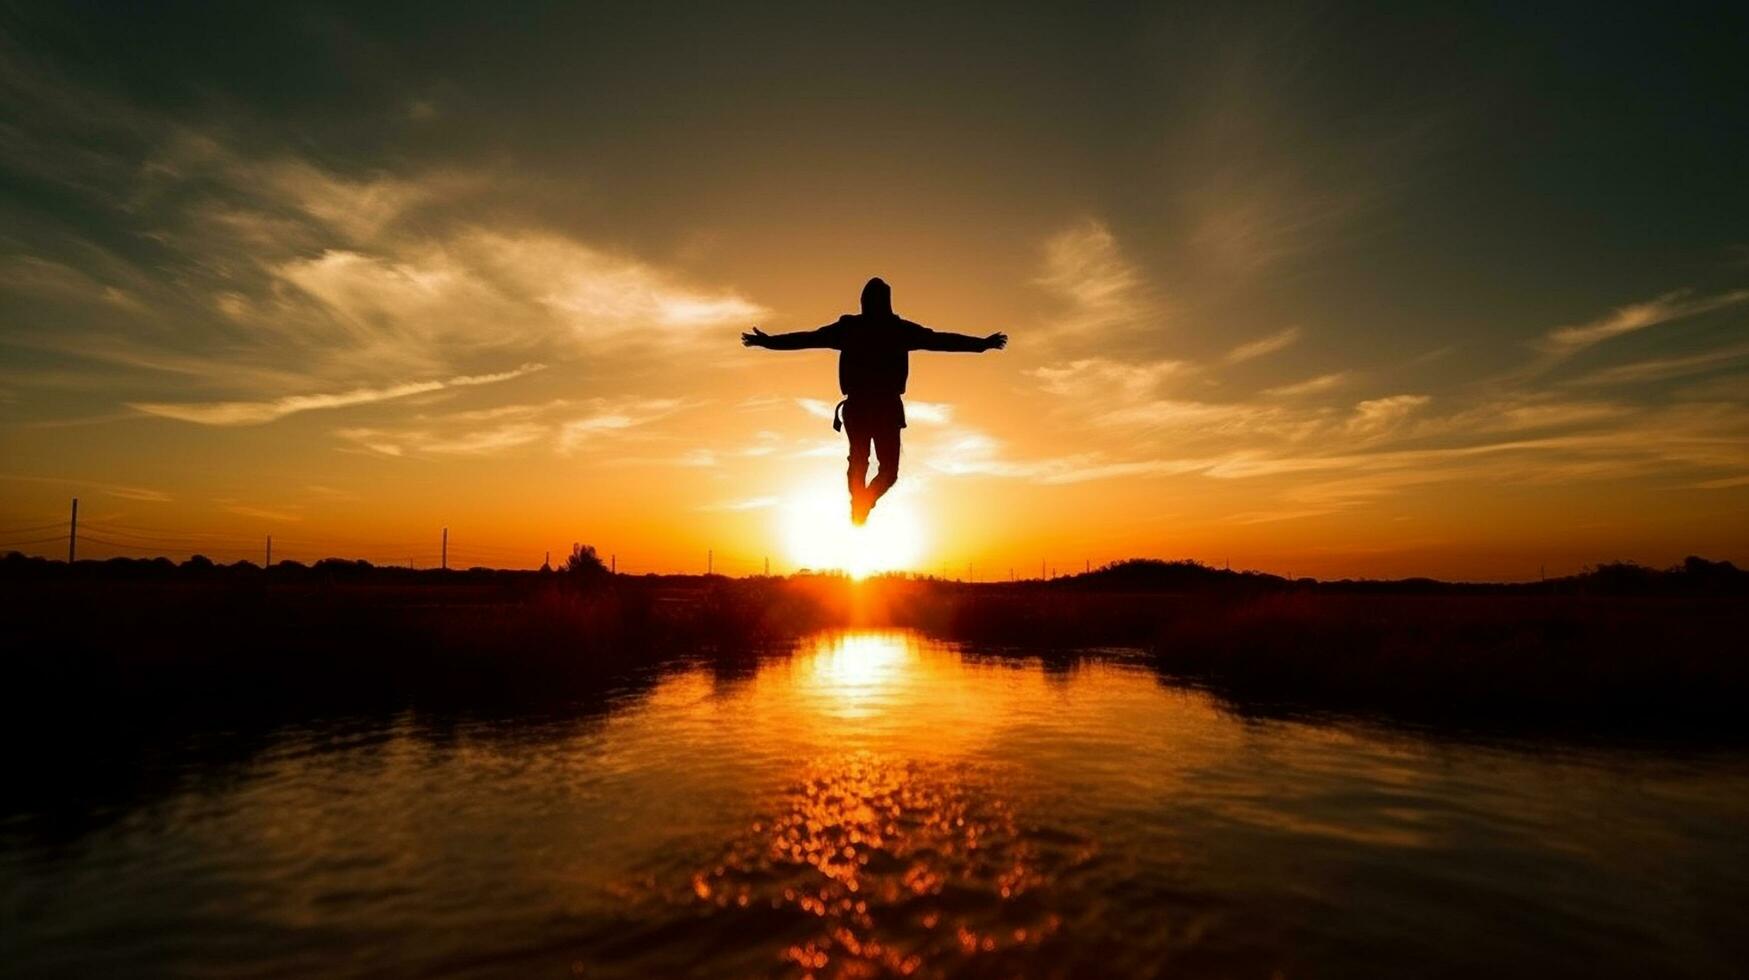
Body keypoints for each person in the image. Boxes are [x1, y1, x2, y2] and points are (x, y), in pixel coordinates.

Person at [743, 277, 1007, 525]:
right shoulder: (862, 329)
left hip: (882, 408)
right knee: (864, 464)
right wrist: (769, 342)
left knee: (881, 470)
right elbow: (809, 338)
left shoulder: (888, 330)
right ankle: (860, 503)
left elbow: (939, 340)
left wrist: (980, 345)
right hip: (865, 407)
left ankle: (861, 503)